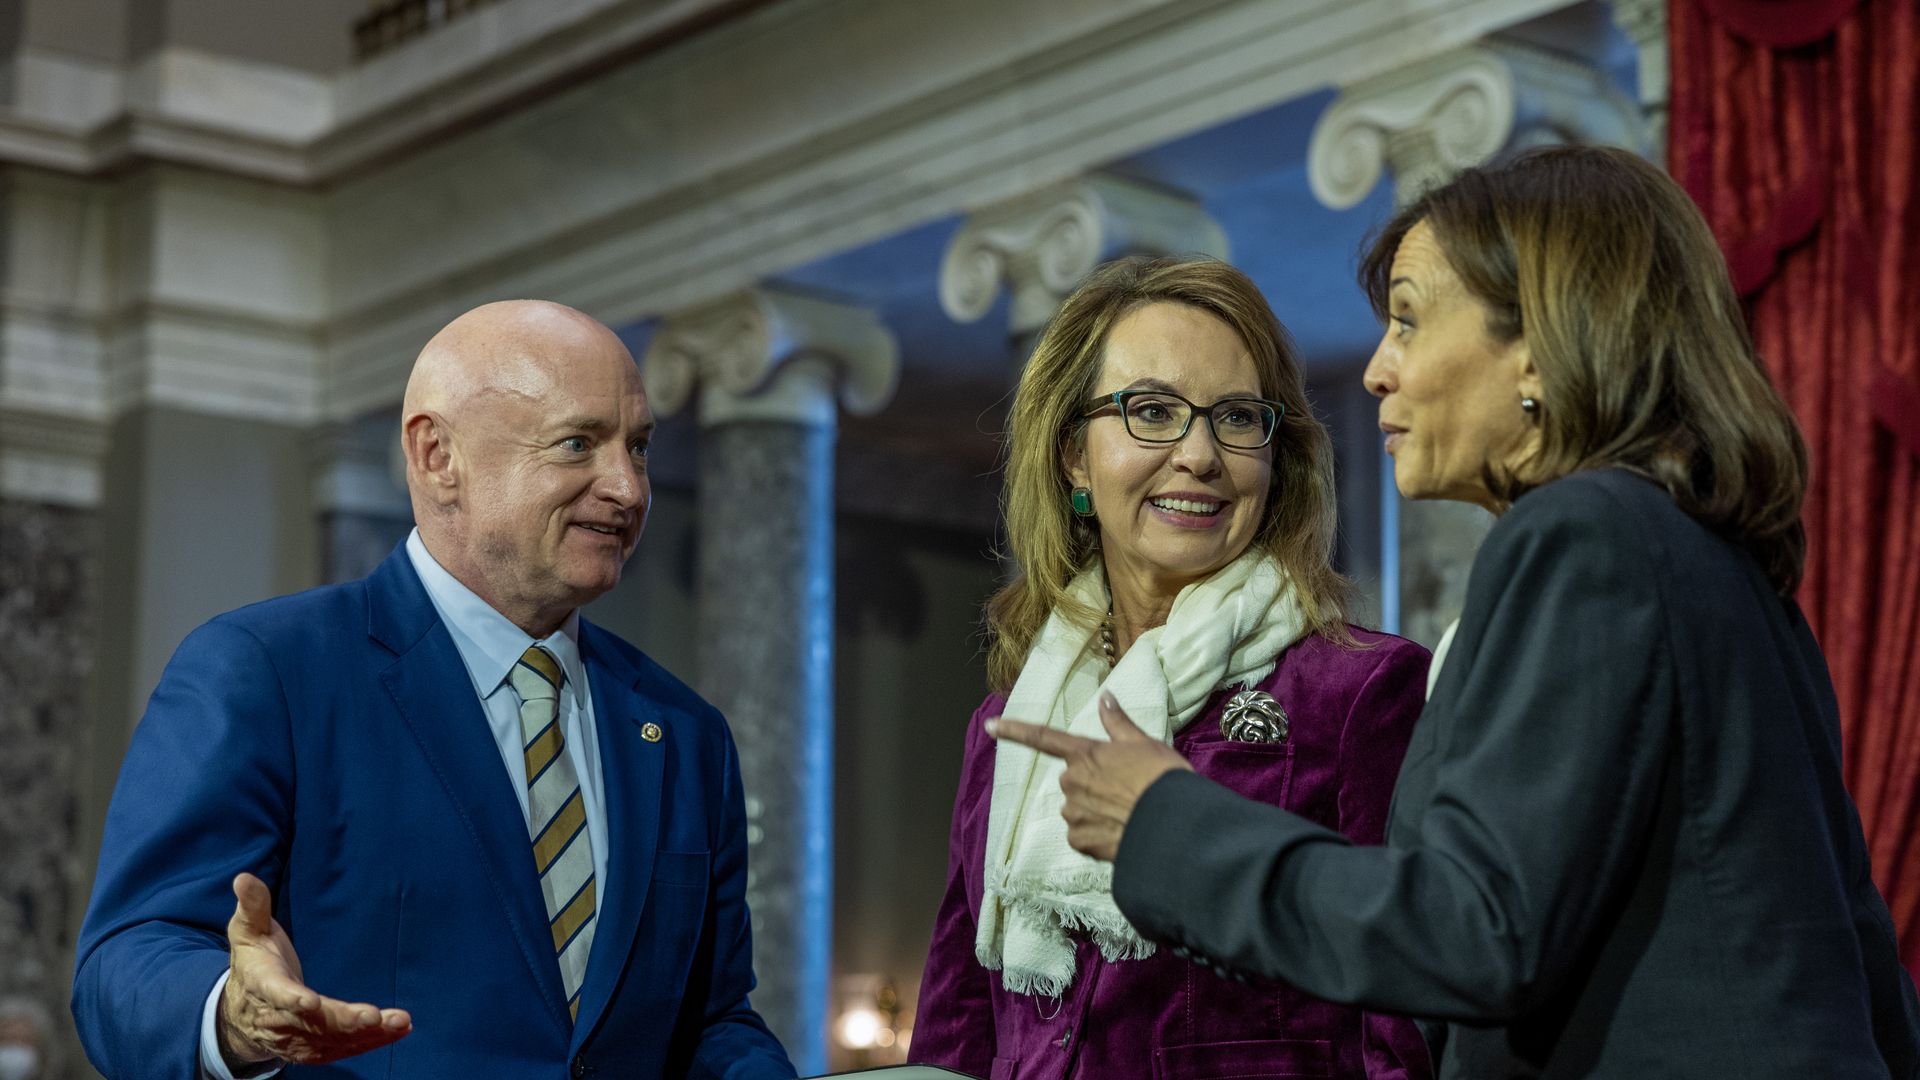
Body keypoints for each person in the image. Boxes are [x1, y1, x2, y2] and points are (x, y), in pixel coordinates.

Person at [992, 146, 1920, 1077]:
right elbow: (1858, 950)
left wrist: (1163, 823)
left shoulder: (1585, 534)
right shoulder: (1697, 552)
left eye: (1407, 320)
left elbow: (1476, 928)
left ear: (1537, 344)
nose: (1376, 372)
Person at [71, 301, 796, 1080]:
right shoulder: (268, 671)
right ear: (437, 454)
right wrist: (233, 1016)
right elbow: (128, 957)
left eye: (641, 447)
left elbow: (711, 1020)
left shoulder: (683, 731)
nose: (626, 486)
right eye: (579, 442)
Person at [912, 256, 1433, 1079]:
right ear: (1074, 458)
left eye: (1235, 418)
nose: (1199, 454)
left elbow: (1407, 1024)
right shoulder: (1008, 723)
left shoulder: (1362, 690)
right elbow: (958, 1029)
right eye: (1152, 411)